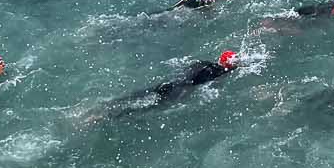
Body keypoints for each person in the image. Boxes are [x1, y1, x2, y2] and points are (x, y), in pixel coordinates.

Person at [103, 50, 240, 116]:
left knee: (141, 95)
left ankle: (109, 104)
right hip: (178, 91)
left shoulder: (203, 63)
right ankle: (114, 115)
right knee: (149, 107)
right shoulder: (220, 72)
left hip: (170, 84)